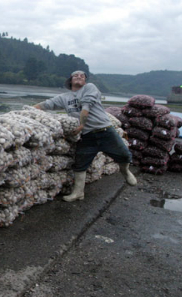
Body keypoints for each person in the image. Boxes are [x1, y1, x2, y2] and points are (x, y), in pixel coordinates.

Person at [34, 70, 136, 202]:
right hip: (87, 137)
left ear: (85, 81)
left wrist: (82, 124)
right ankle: (78, 193)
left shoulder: (90, 88)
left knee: (124, 154)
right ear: (70, 80)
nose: (79, 76)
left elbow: (86, 105)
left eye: (82, 76)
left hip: (104, 130)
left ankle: (126, 172)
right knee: (80, 164)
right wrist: (27, 112)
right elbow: (45, 105)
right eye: (75, 75)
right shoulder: (64, 97)